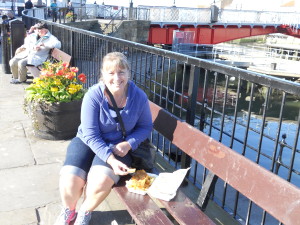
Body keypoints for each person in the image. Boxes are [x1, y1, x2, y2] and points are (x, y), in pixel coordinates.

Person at [55, 52, 153, 225]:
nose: (117, 78)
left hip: (119, 145)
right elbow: (91, 134)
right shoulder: (93, 95)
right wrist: (111, 160)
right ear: (103, 75)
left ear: (129, 73)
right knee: (70, 178)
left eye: (121, 72)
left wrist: (129, 144)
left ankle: (85, 212)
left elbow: (145, 127)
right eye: (111, 72)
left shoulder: (139, 97)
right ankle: (68, 211)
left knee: (99, 180)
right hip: (88, 140)